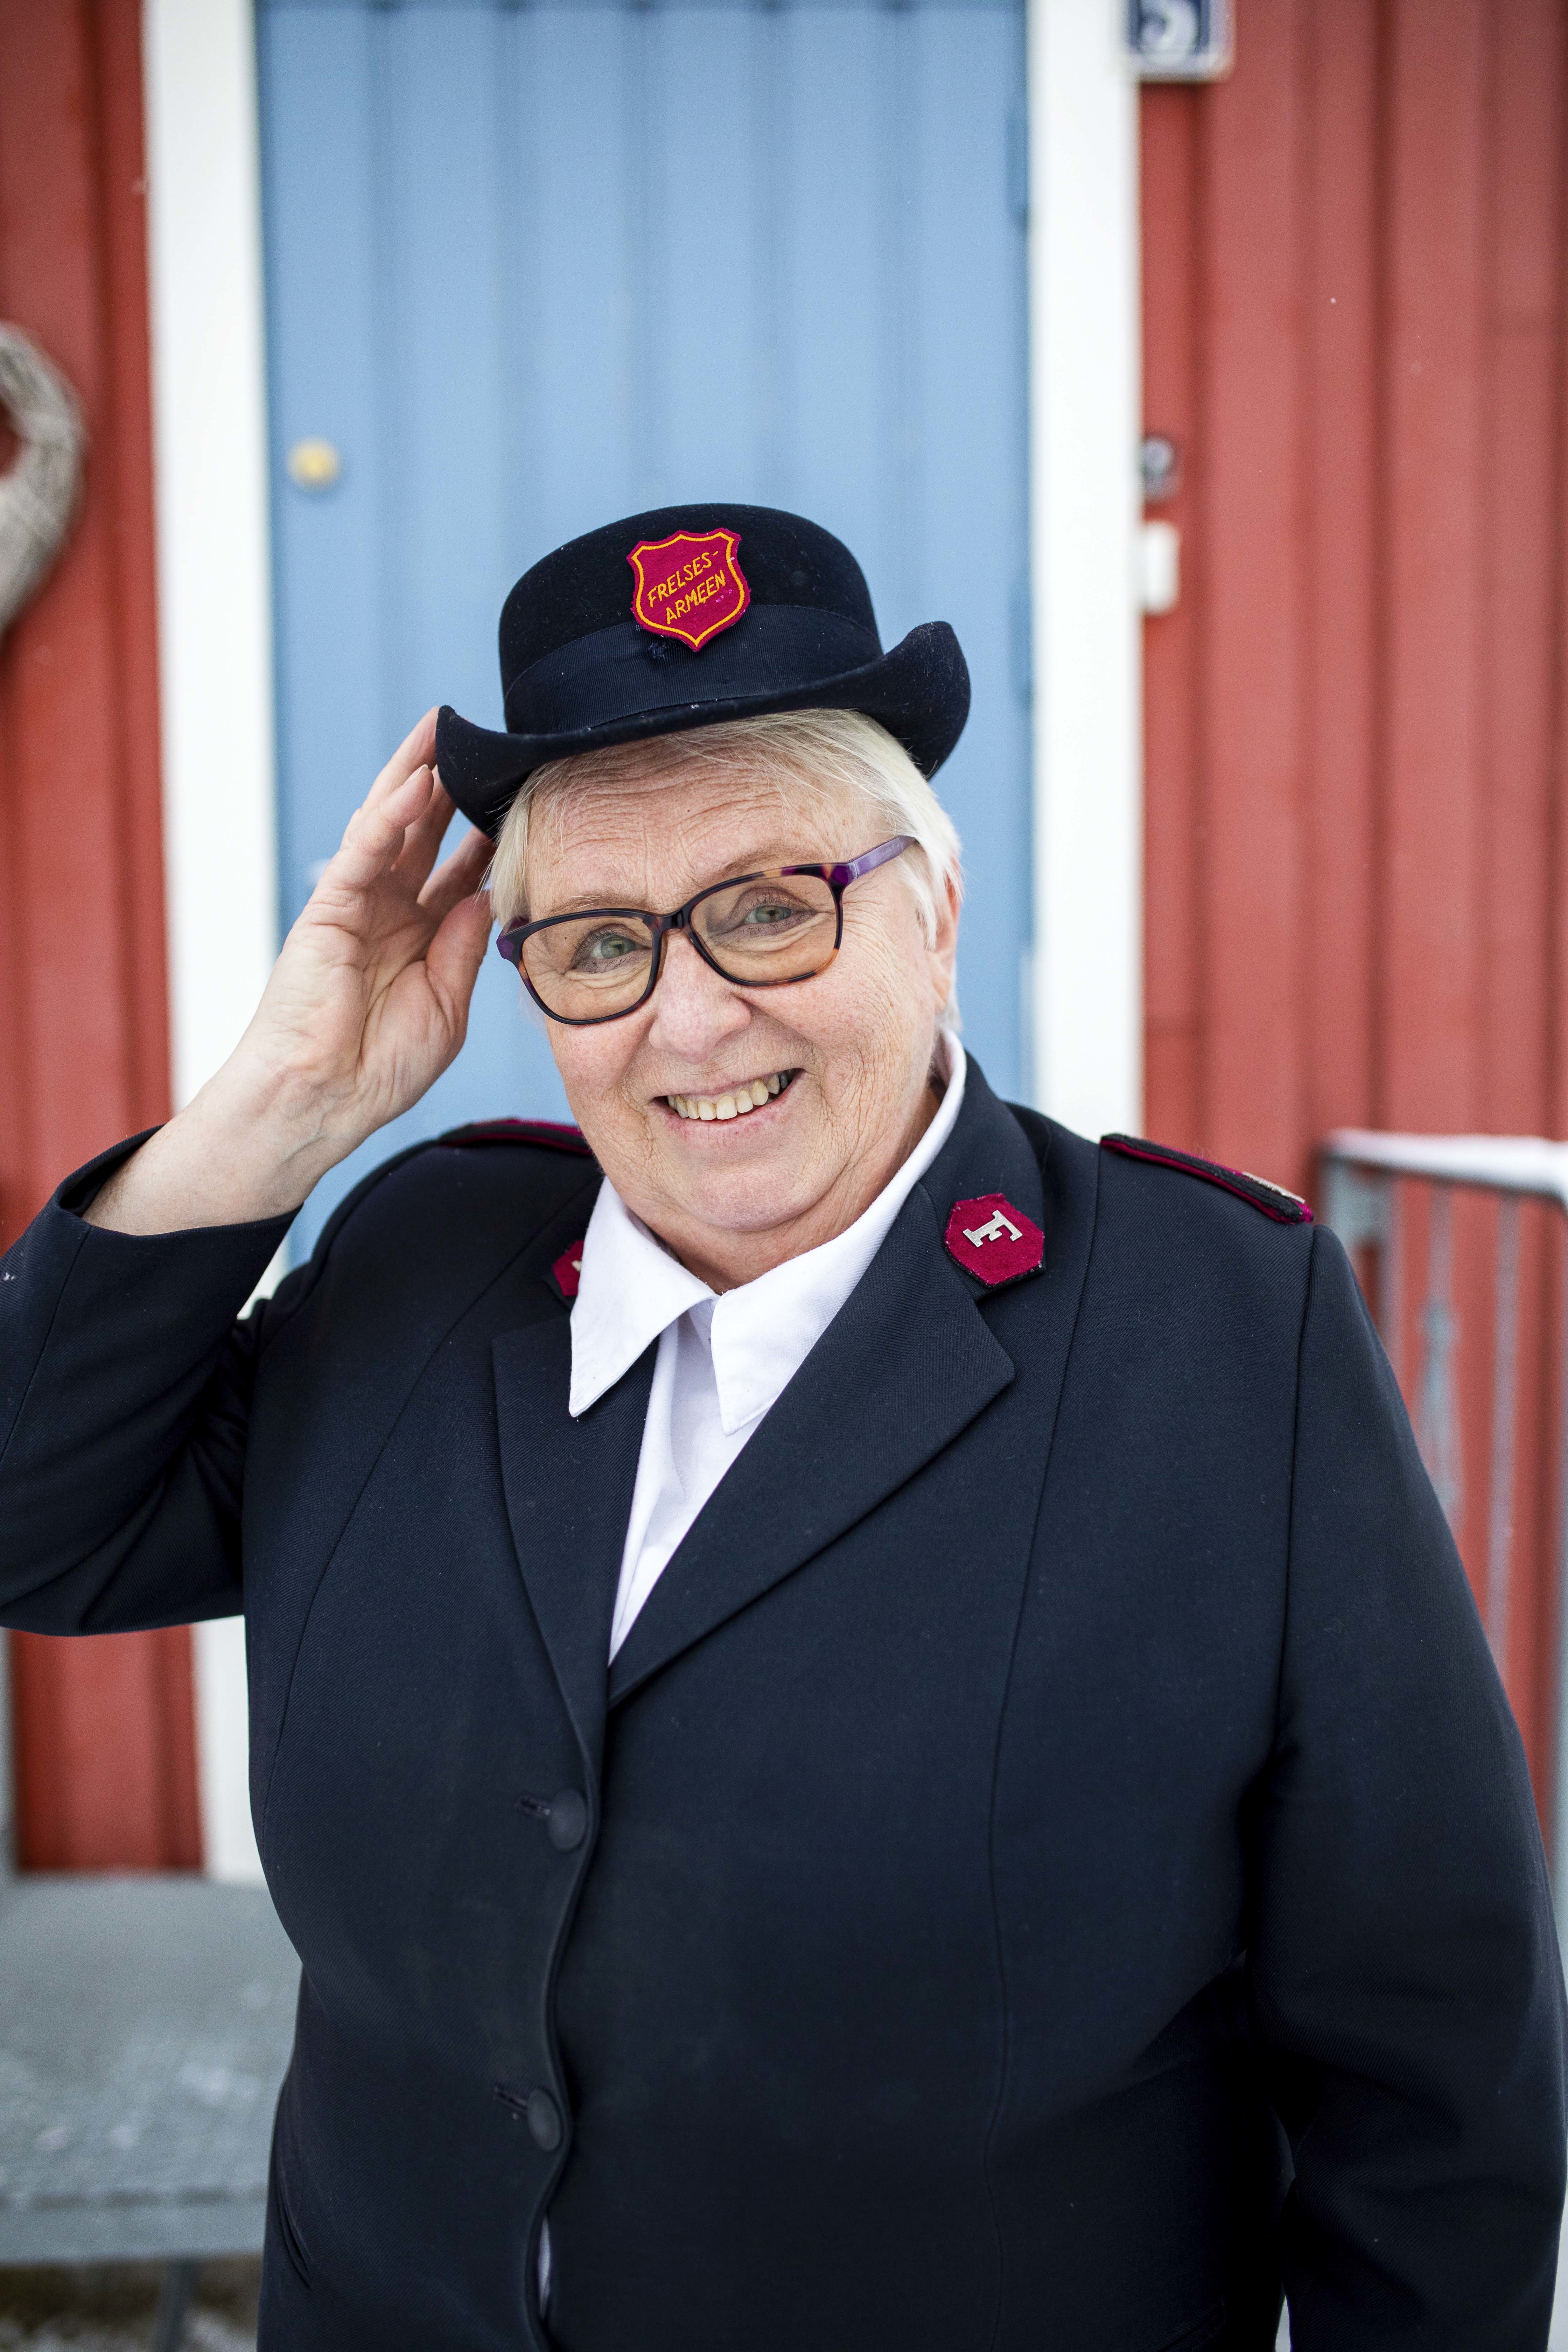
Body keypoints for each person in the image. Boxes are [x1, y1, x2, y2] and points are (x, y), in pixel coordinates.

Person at [0, 504, 1562, 2352]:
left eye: (766, 907)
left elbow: (1432, 2063)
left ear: (937, 907)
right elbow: (42, 1521)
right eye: (596, 945)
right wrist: (266, 1123)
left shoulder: (1213, 1327)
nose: (690, 1021)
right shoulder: (430, 1261)